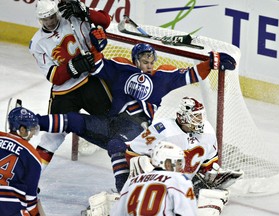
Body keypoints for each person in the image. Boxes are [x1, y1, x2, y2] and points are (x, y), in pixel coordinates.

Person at [34, 42, 237, 192]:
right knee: (72, 120)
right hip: (109, 122)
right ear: (135, 60)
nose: (149, 64)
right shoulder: (121, 69)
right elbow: (97, 64)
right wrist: (96, 45)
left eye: (151, 61)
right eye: (144, 61)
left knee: (116, 145)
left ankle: (123, 192)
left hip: (136, 129)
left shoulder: (162, 78)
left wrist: (211, 62)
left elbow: (190, 75)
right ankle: (31, 121)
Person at [29, 0, 112, 170]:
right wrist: (74, 66)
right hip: (64, 93)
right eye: (45, 19)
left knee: (115, 124)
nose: (50, 21)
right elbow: (54, 76)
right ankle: (28, 177)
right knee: (52, 137)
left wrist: (85, 11)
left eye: (52, 16)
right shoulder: (37, 43)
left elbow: (105, 21)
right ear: (39, 20)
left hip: (90, 82)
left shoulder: (73, 17)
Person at [111, 141, 198, 216]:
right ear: (168, 164)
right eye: (178, 163)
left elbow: (116, 213)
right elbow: (187, 212)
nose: (181, 168)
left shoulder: (132, 181)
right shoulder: (179, 179)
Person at [0, 107, 42, 216]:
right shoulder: (32, 155)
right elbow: (31, 201)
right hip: (9, 207)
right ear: (22, 129)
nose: (32, 134)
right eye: (31, 129)